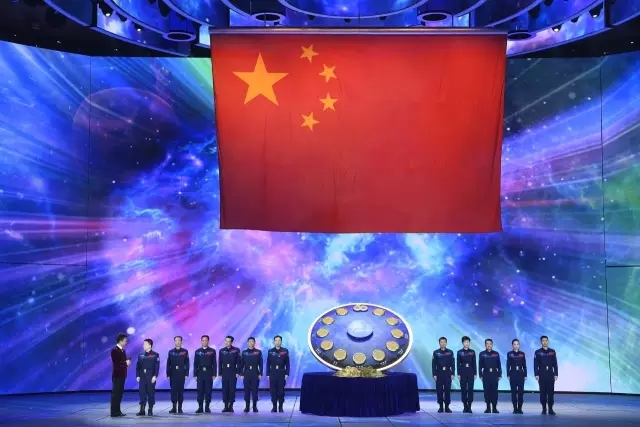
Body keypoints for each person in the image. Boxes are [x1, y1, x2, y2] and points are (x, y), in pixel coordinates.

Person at [534, 335, 558, 415]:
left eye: (546, 340)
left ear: (548, 341)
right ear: (541, 342)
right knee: (543, 393)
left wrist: (556, 374)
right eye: (543, 341)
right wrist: (536, 374)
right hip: (542, 374)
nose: (545, 342)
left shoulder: (552, 352)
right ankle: (544, 409)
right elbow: (535, 364)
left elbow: (555, 363)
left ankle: (550, 409)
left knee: (551, 393)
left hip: (550, 374)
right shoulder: (537, 352)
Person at [135, 339, 160, 417]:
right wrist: (137, 375)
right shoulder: (140, 355)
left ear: (150, 345)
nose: (143, 345)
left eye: (145, 344)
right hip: (142, 377)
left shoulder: (155, 355)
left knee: (150, 393)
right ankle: (142, 410)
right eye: (143, 344)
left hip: (150, 376)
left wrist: (155, 376)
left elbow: (157, 367)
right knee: (142, 393)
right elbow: (138, 367)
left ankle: (150, 409)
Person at [194, 335, 217, 414]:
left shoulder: (212, 351)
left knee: (208, 390)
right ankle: (200, 407)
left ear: (208, 341)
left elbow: (214, 363)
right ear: (201, 341)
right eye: (203, 340)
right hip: (200, 373)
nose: (204, 342)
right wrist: (195, 374)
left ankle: (207, 407)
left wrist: (214, 374)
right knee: (200, 390)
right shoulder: (197, 351)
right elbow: (195, 364)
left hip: (209, 372)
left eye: (206, 340)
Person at [166, 336, 189, 414]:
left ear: (181, 342)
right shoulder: (171, 352)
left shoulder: (185, 351)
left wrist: (186, 373)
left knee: (180, 391)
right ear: (174, 342)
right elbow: (168, 364)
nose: (177, 342)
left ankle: (180, 408)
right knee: (173, 391)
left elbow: (187, 363)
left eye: (179, 340)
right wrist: (168, 374)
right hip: (173, 374)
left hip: (181, 374)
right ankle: (173, 407)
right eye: (176, 340)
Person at [267, 335, 290, 413]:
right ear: (274, 342)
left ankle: (280, 407)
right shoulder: (270, 351)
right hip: (273, 373)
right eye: (276, 340)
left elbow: (287, 363)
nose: (277, 342)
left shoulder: (285, 351)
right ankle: (274, 407)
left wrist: (287, 373)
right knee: (273, 391)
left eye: (279, 340)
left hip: (281, 373)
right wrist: (268, 374)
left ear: (281, 341)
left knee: (281, 391)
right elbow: (268, 363)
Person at [218, 335, 241, 412]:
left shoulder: (236, 350)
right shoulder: (221, 351)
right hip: (224, 372)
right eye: (226, 341)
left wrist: (238, 372)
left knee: (232, 389)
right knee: (225, 389)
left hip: (233, 372)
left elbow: (239, 362)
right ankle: (225, 406)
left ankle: (231, 406)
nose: (227, 342)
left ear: (231, 342)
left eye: (228, 341)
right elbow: (220, 363)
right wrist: (220, 373)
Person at [431, 337, 454, 413]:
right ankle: (441, 407)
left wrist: (452, 373)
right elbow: (433, 365)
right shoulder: (436, 352)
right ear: (439, 343)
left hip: (447, 373)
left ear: (446, 343)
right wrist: (434, 374)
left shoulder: (450, 352)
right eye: (441, 342)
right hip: (439, 373)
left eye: (444, 342)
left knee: (447, 390)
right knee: (439, 390)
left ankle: (447, 407)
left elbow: (453, 364)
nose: (443, 343)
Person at [240, 337, 263, 413]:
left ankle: (255, 407)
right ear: (247, 343)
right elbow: (241, 364)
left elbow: (261, 364)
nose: (251, 343)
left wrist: (260, 373)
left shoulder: (258, 352)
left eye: (252, 341)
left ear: (254, 342)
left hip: (255, 372)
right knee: (246, 390)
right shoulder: (244, 352)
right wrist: (241, 373)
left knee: (255, 391)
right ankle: (247, 406)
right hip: (246, 373)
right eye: (249, 341)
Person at [110, 333, 130, 417]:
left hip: (122, 375)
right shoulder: (114, 350)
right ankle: (113, 412)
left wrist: (127, 361)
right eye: (125, 341)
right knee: (115, 394)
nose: (126, 342)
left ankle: (118, 411)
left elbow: (123, 361)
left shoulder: (123, 350)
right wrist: (125, 363)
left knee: (120, 394)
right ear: (120, 341)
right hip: (117, 375)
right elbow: (116, 363)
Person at [479, 338, 501, 414]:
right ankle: (488, 408)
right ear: (485, 345)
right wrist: (480, 375)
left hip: (494, 374)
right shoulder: (482, 354)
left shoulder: (496, 354)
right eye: (487, 344)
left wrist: (499, 375)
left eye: (490, 344)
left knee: (494, 391)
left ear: (492, 345)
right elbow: (480, 366)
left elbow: (499, 365)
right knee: (487, 391)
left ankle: (494, 408)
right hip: (486, 374)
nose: (489, 345)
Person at [457, 336, 477, 413]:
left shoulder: (472, 352)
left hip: (471, 371)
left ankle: (469, 406)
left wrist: (475, 373)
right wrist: (458, 374)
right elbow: (458, 364)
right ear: (463, 343)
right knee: (463, 389)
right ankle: (465, 406)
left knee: (470, 389)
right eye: (465, 342)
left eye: (468, 342)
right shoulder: (459, 352)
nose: (466, 343)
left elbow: (474, 363)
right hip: (462, 372)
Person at [507, 338, 527, 414]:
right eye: (514, 344)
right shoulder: (509, 354)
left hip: (521, 374)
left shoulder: (522, 354)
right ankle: (515, 408)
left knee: (521, 392)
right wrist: (508, 374)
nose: (516, 345)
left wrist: (525, 374)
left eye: (517, 344)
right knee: (514, 392)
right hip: (513, 374)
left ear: (519, 345)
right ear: (512, 345)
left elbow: (524, 365)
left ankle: (520, 408)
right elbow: (508, 365)